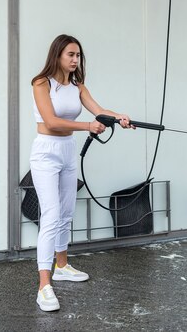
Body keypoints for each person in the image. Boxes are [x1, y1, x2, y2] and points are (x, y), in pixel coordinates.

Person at [30, 34, 133, 312]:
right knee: (51, 214)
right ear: (58, 55)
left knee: (65, 212)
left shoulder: (78, 86)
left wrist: (120, 118)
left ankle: (62, 266)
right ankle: (44, 286)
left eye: (78, 55)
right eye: (70, 55)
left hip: (67, 152)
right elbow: (50, 121)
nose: (75, 60)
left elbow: (99, 111)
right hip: (45, 153)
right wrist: (88, 126)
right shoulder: (42, 83)